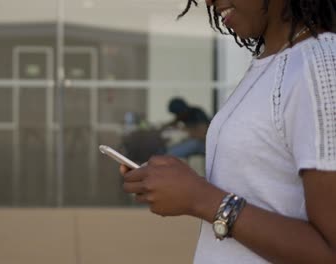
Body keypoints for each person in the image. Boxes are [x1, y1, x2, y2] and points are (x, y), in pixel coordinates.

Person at [120, 1, 336, 263]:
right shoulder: (272, 62)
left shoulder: (319, 65)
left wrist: (200, 198)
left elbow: (330, 250)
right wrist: (177, 183)